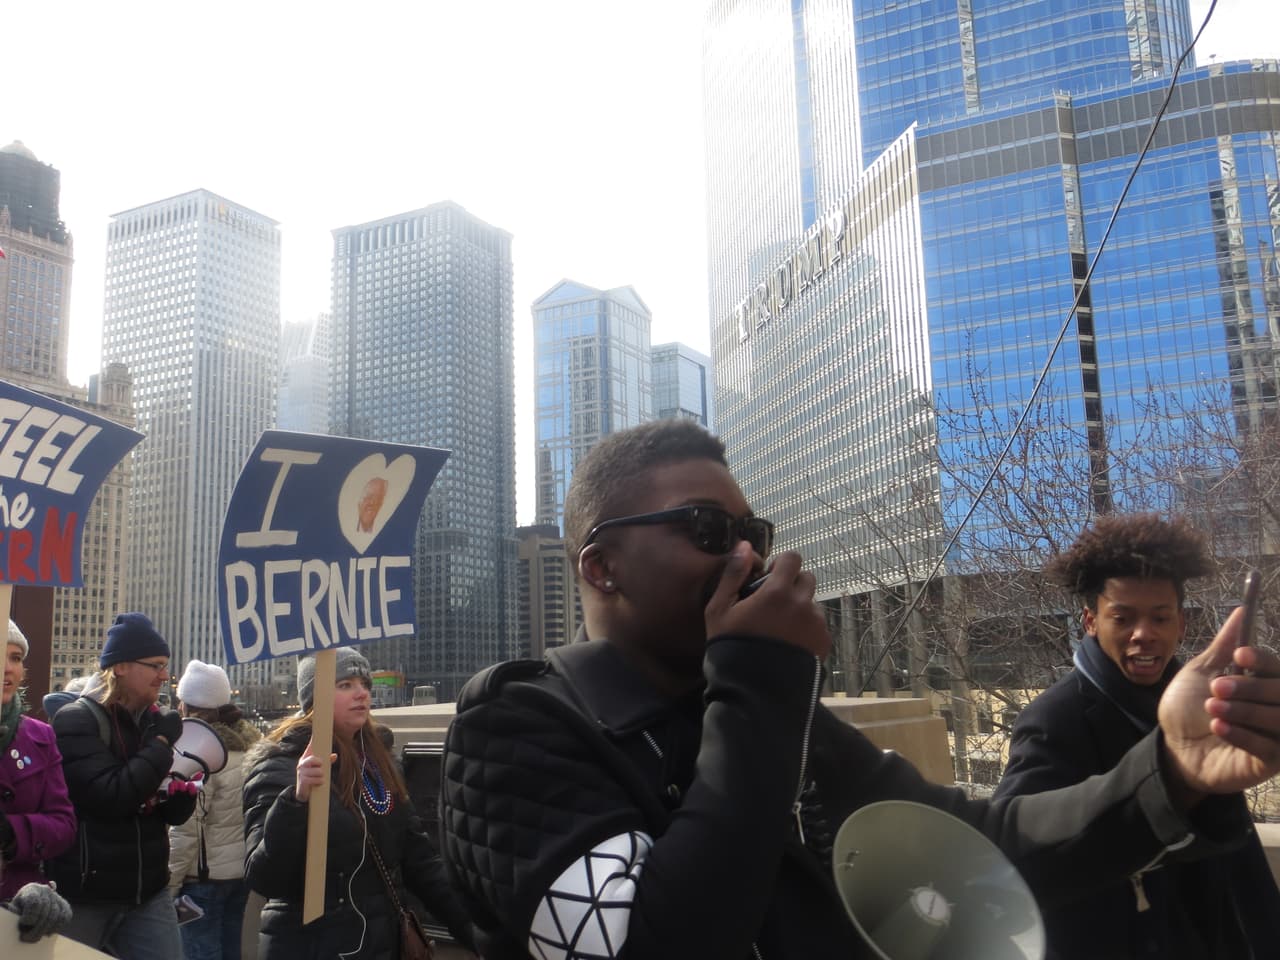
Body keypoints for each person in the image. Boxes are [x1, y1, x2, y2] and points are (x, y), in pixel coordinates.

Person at [439, 419, 1280, 960]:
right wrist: (763, 682)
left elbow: (987, 844)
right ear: (600, 566)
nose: (745, 557)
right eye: (706, 530)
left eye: (751, 534)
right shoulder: (514, 727)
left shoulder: (757, 713)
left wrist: (1172, 770)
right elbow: (663, 943)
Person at [993, 514, 1280, 958]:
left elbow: (1240, 860)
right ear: (1091, 621)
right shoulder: (1054, 718)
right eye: (1122, 618)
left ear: (1181, 625)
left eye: (1160, 617)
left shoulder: (1207, 706)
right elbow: (1019, 856)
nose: (1143, 635)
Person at [242, 648, 475, 959]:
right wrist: (296, 801)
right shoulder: (279, 768)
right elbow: (265, 877)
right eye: (345, 685)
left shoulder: (378, 764)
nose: (362, 693)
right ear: (314, 699)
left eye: (364, 684)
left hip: (380, 945)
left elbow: (420, 863)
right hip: (312, 947)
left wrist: (477, 934)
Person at [50, 612, 198, 959]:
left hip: (147, 892)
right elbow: (111, 796)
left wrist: (178, 800)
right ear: (120, 667)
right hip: (87, 896)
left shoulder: (151, 721)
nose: (165, 675)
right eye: (156, 665)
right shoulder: (76, 720)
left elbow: (151, 802)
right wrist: (161, 743)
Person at [168, 660, 262, 960]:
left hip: (202, 880)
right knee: (231, 949)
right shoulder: (251, 747)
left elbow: (187, 826)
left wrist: (169, 884)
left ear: (188, 706)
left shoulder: (200, 752)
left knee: (200, 953)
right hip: (240, 874)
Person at [0, 620, 76, 900]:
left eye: (16, 658)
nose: (8, 667)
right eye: (1, 654)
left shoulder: (40, 736)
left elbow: (64, 825)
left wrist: (13, 833)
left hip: (19, 904)